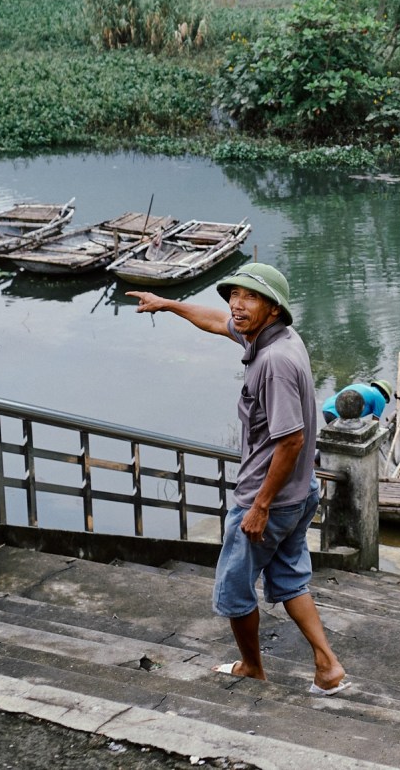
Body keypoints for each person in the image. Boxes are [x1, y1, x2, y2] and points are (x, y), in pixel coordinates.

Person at [129, 263, 349, 696]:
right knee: (289, 579)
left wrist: (260, 506)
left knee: (233, 589)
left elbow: (291, 441)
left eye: (249, 297)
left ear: (273, 308)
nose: (236, 304)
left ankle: (252, 667)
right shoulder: (278, 337)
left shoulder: (275, 362)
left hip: (269, 498)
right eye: (233, 295)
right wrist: (168, 304)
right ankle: (328, 666)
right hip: (300, 491)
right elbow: (215, 322)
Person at [320, 379, 393, 424]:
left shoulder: (361, 386)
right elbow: (375, 422)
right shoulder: (380, 397)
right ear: (385, 394)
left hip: (326, 408)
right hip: (337, 414)